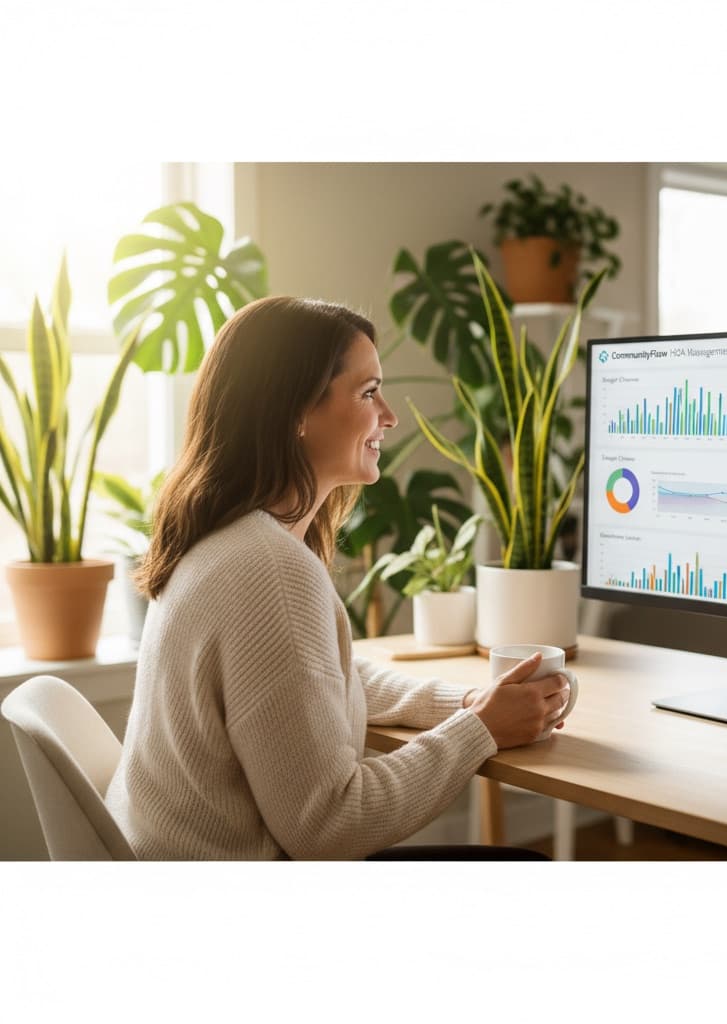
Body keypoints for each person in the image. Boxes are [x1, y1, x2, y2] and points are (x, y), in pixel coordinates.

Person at [104, 296, 571, 860]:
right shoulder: (267, 569)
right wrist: (480, 730)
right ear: (294, 411)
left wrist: (470, 702)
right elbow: (331, 827)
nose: (390, 417)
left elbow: (315, 685)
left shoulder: (224, 541)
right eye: (368, 392)